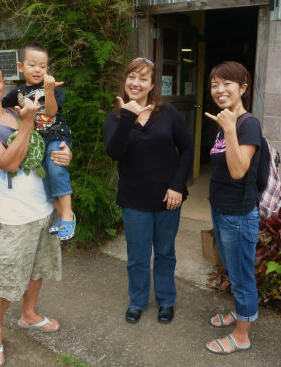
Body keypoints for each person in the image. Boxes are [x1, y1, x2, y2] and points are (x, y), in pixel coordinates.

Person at [0, 60, 72, 367]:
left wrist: (66, 153)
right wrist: (26, 123)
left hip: (43, 206)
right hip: (14, 215)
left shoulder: (14, 110)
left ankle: (29, 314)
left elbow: (49, 138)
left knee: (38, 268)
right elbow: (9, 162)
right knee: (7, 278)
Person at [103, 57, 193, 324]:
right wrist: (128, 116)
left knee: (165, 252)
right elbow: (114, 152)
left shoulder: (168, 113)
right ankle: (138, 300)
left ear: (152, 84)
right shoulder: (116, 116)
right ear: (126, 80)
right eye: (132, 77)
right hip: (134, 200)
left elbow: (187, 149)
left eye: (143, 78)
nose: (136, 83)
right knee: (137, 255)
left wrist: (178, 185)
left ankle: (166, 300)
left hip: (169, 199)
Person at [0, 42, 75, 240]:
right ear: (21, 67)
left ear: (47, 69)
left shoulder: (51, 88)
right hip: (38, 142)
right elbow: (0, 105)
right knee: (45, 179)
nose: (37, 70)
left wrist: (50, 90)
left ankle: (68, 215)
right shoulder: (18, 93)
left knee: (55, 170)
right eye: (32, 65)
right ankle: (62, 217)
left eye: (42, 66)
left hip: (56, 137)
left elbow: (52, 111)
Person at [204, 61, 261, 354]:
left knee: (241, 275)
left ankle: (241, 335)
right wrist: (225, 126)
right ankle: (240, 314)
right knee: (232, 268)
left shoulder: (246, 123)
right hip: (222, 210)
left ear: (243, 88)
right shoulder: (226, 120)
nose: (219, 89)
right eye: (214, 84)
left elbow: (239, 171)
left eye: (227, 83)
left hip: (239, 215)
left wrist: (228, 129)